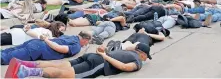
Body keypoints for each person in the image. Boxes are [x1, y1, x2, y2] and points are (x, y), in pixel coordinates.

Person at [5, 44, 151, 78]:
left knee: (60, 65)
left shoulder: (126, 51)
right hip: (99, 63)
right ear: (143, 54)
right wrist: (105, 56)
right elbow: (125, 67)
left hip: (92, 57)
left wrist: (104, 53)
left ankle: (23, 63)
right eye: (146, 56)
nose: (145, 59)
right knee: (66, 75)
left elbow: (110, 52)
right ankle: (26, 72)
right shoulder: (137, 60)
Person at [1, 31, 91, 65]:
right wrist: (46, 40)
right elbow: (60, 48)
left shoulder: (70, 36)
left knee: (9, 51)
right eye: (88, 42)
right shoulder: (77, 45)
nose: (86, 44)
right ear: (85, 39)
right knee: (6, 58)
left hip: (36, 43)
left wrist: (45, 39)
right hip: (40, 48)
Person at [1, 21, 66, 46]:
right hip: (16, 36)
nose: (62, 32)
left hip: (16, 34)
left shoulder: (46, 31)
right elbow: (32, 33)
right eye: (62, 30)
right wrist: (39, 36)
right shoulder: (48, 32)